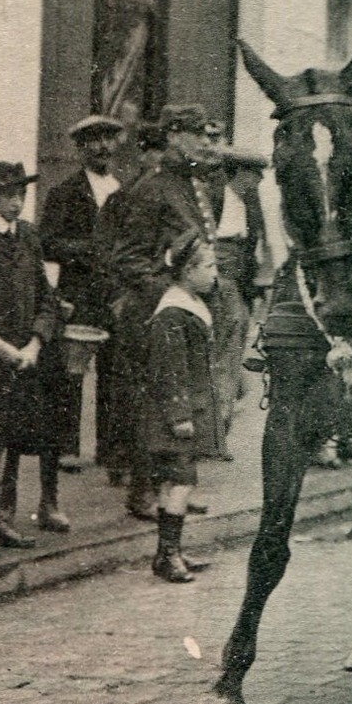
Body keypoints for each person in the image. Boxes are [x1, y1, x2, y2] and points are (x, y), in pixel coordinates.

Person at [107, 104, 221, 519]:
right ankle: (142, 491)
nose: (207, 142)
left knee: (185, 402)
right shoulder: (151, 189)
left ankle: (176, 489)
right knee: (150, 405)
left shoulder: (196, 185)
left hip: (186, 312)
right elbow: (128, 259)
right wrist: (174, 291)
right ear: (173, 136)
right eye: (197, 134)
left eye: (209, 135)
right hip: (155, 314)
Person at [0, 162, 60, 548]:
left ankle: (3, 519)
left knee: (17, 437)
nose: (16, 202)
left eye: (20, 194)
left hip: (26, 357)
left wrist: (36, 341)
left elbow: (46, 298)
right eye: (7, 194)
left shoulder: (30, 237)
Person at [39, 114, 128, 475]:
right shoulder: (65, 192)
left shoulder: (123, 191)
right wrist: (89, 250)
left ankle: (110, 449)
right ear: (80, 148)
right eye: (94, 140)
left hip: (115, 293)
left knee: (115, 368)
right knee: (72, 370)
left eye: (109, 139)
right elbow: (47, 243)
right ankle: (66, 447)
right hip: (79, 292)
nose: (103, 147)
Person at [142, 228, 222, 582]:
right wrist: (179, 416)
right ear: (188, 271)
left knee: (171, 481)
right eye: (209, 266)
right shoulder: (172, 314)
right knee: (181, 482)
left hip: (185, 411)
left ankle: (168, 551)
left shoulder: (191, 305)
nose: (214, 273)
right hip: (174, 415)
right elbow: (169, 370)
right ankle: (168, 554)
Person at [206, 147, 268, 454]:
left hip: (239, 283)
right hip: (220, 283)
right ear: (240, 173)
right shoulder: (216, 198)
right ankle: (215, 433)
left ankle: (219, 429)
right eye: (254, 173)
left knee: (230, 355)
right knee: (225, 356)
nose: (259, 179)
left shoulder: (249, 204)